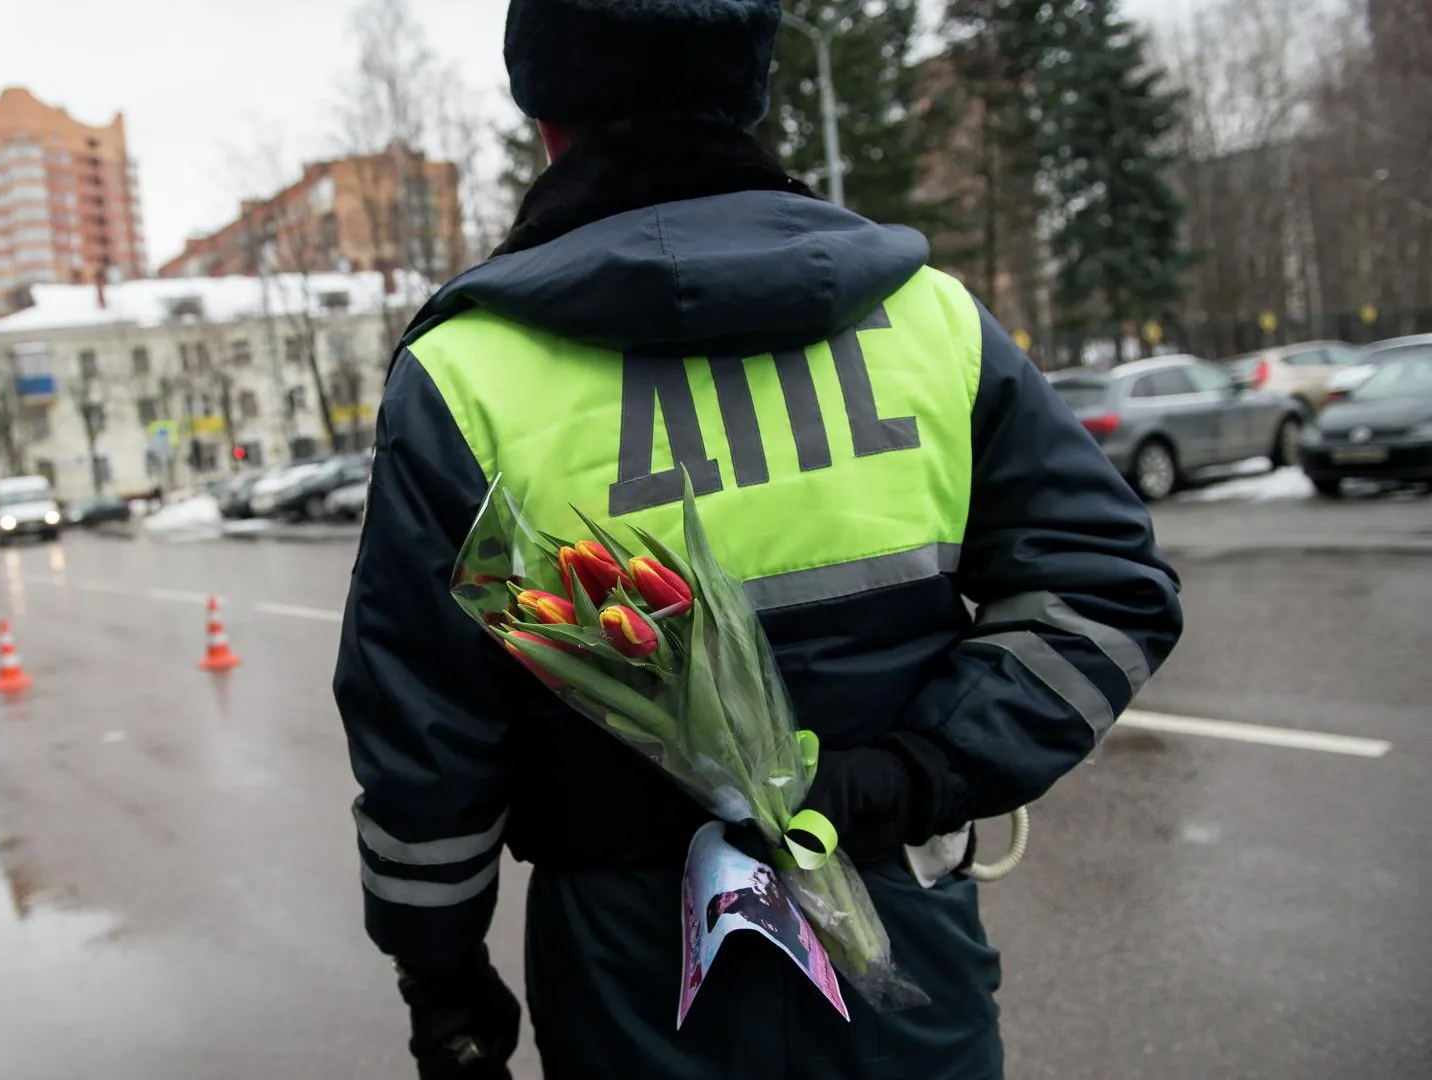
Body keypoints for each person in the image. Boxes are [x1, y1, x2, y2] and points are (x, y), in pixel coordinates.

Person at [332, 1, 1184, 1076]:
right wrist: (917, 772)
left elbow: (422, 739)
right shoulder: (930, 323)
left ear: (544, 115)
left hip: (634, 964)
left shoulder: (466, 378)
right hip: (895, 922)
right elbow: (1107, 589)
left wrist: (441, 974)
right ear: (753, 89)